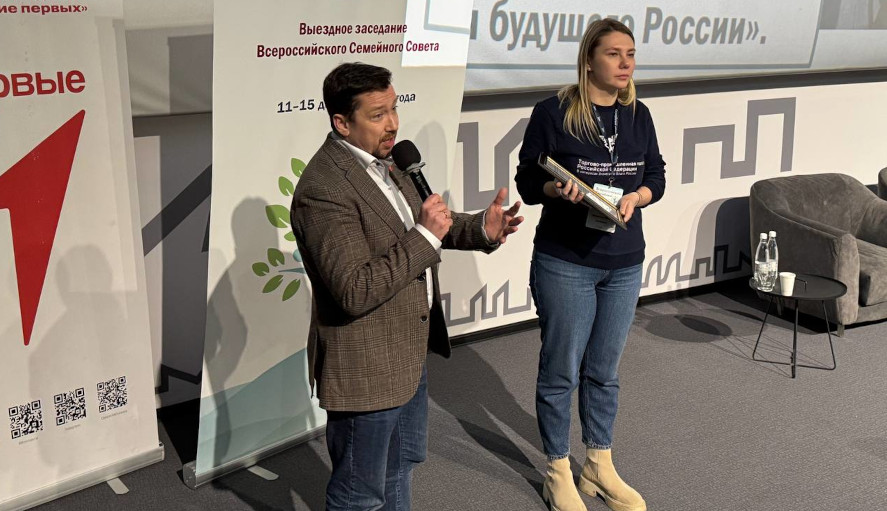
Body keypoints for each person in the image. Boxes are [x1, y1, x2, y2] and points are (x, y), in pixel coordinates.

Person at [290, 62, 523, 511]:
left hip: (407, 355)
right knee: (359, 495)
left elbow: (429, 225)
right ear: (342, 122)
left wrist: (483, 228)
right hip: (366, 367)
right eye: (378, 114)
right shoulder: (323, 189)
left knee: (400, 467)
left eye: (394, 109)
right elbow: (355, 288)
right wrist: (425, 235)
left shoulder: (389, 162)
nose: (393, 123)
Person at [515, 19, 666, 511]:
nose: (625, 63)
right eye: (614, 54)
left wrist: (639, 197)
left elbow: (656, 175)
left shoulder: (638, 114)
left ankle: (598, 464)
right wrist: (555, 189)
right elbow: (526, 181)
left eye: (631, 54)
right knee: (561, 370)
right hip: (566, 262)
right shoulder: (553, 112)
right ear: (588, 60)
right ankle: (557, 470)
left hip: (624, 262)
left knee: (604, 371)